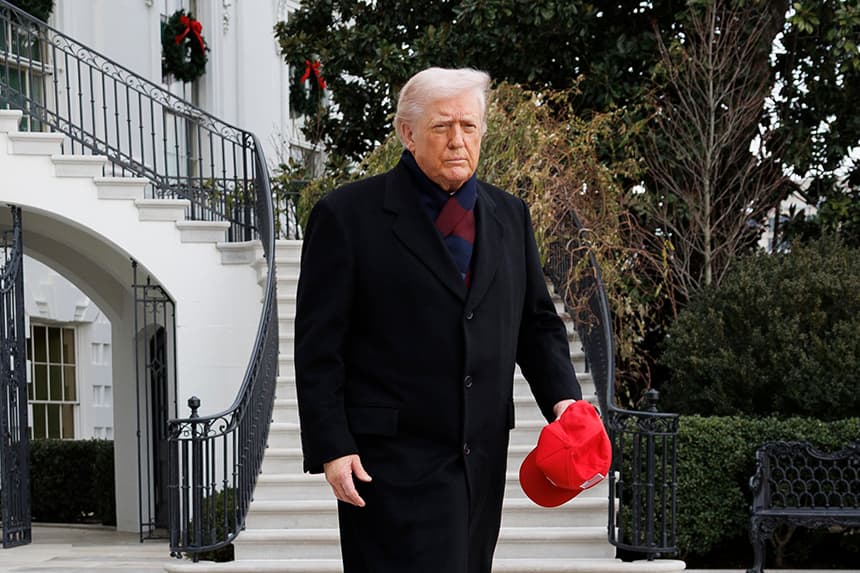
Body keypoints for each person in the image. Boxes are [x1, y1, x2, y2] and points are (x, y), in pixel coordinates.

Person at [294, 67, 581, 573]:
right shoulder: (347, 216)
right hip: (386, 463)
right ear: (407, 133)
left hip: (480, 457)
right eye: (441, 127)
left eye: (468, 127)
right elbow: (319, 345)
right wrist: (331, 446)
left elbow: (537, 324)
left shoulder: (510, 216)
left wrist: (566, 405)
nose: (457, 141)